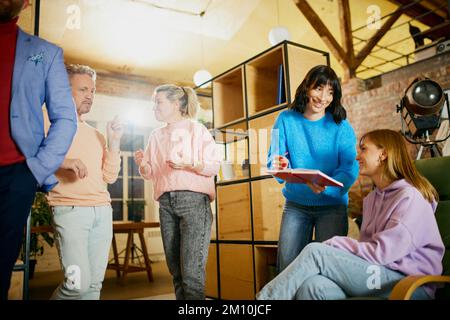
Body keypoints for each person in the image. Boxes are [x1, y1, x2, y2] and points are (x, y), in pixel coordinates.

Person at [257, 129, 444, 300]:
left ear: (383, 154)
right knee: (314, 286)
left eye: (363, 149)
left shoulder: (409, 197)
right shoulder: (373, 199)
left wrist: (335, 243)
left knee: (316, 252)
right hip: (377, 274)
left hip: (409, 284)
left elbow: (382, 253)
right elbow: (367, 252)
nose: (357, 156)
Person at [0, 0, 77, 299]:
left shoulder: (45, 52)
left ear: (27, 2)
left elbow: (65, 118)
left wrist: (35, 170)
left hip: (16, 178)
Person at [268, 65, 359, 273]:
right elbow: (275, 157)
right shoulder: (285, 119)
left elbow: (349, 167)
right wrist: (280, 164)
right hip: (296, 205)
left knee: (327, 269)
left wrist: (328, 188)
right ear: (307, 87)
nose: (323, 97)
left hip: (332, 206)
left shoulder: (342, 126)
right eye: (318, 88)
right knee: (288, 269)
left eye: (330, 92)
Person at [134, 84, 220, 300]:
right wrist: (144, 167)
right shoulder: (156, 135)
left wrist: (190, 164)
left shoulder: (197, 130)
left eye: (158, 102)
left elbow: (213, 166)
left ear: (176, 104)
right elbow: (152, 173)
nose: (154, 107)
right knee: (176, 271)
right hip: (165, 204)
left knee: (191, 274)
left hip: (193, 203)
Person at [46, 64, 123, 300]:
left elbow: (109, 177)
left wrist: (114, 141)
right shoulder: (48, 122)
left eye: (92, 90)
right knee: (76, 285)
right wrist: (64, 160)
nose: (90, 95)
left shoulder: (96, 134)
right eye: (83, 89)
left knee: (93, 287)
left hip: (102, 211)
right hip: (70, 211)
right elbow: (33, 156)